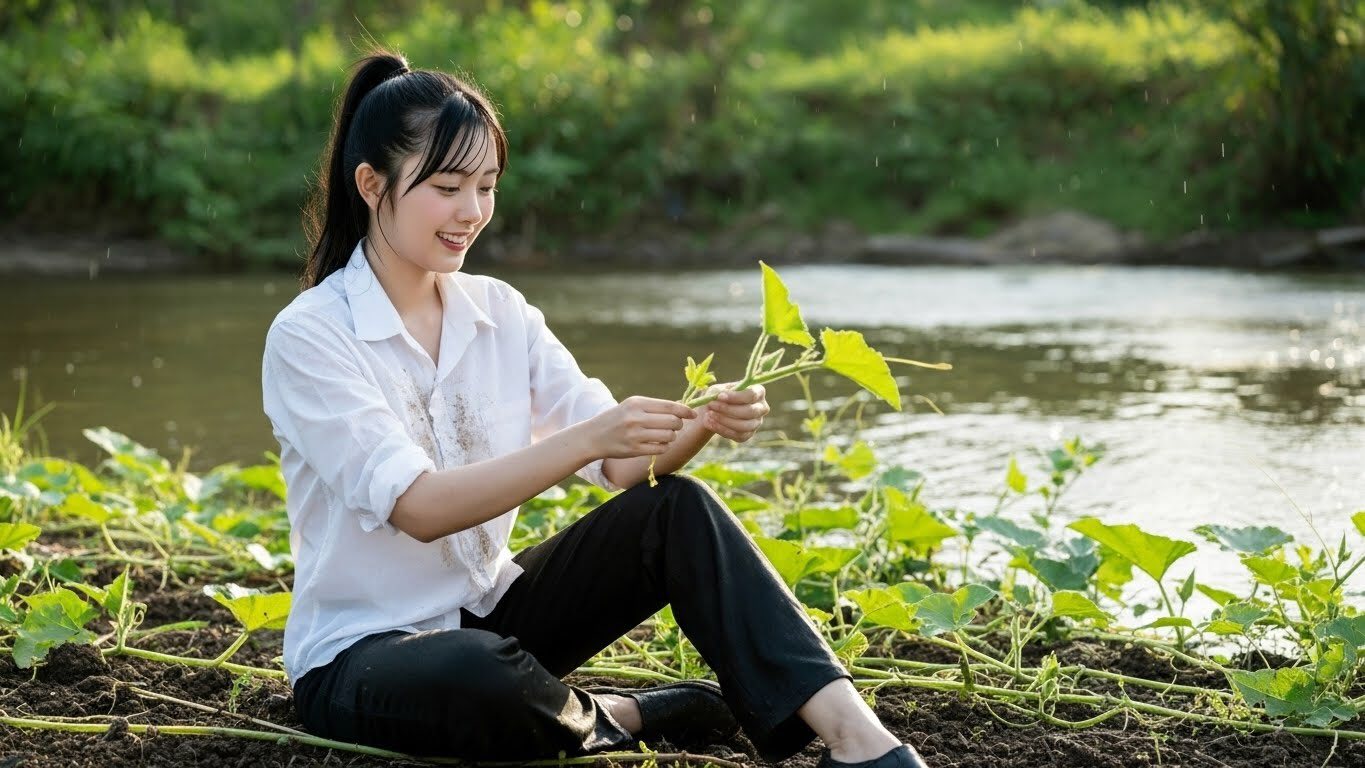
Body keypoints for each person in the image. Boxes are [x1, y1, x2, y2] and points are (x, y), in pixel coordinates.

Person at [261, 49, 927, 768]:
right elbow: (418, 507)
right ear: (371, 184)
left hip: (486, 613)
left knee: (677, 510)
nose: (472, 212)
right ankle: (616, 714)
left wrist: (701, 421)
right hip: (362, 657)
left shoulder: (501, 312)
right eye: (448, 187)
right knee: (479, 676)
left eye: (486, 187)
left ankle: (863, 745)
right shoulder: (311, 335)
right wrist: (586, 439)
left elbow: (622, 467)